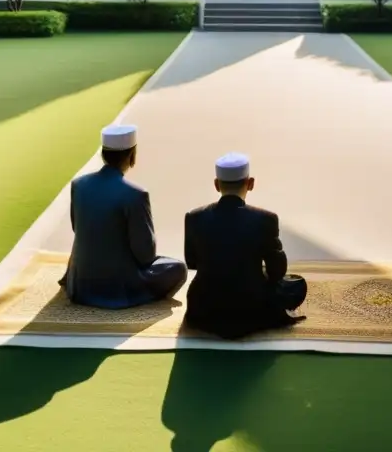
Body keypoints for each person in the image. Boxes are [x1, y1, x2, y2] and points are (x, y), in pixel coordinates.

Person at [60, 124, 187, 309]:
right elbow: (145, 255)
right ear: (131, 155)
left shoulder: (79, 184)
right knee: (177, 268)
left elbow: (76, 227)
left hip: (80, 284)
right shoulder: (135, 194)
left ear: (103, 154)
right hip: (117, 286)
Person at [183, 152, 307, 339]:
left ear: (217, 184)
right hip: (251, 310)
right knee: (296, 284)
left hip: (204, 309)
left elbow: (192, 262)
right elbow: (277, 271)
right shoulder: (265, 219)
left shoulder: (195, 217)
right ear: (250, 183)